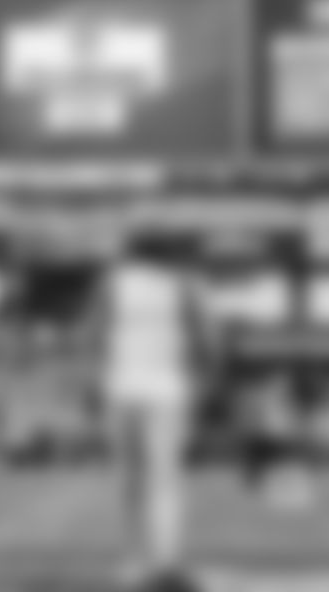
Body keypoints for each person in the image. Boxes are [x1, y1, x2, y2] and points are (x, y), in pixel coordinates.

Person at [100, 235, 200, 587]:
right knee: (165, 478)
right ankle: (166, 562)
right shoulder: (182, 283)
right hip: (167, 388)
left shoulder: (113, 284)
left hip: (122, 385)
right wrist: (211, 374)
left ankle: (133, 562)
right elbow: (204, 333)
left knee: (129, 480)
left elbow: (95, 333)